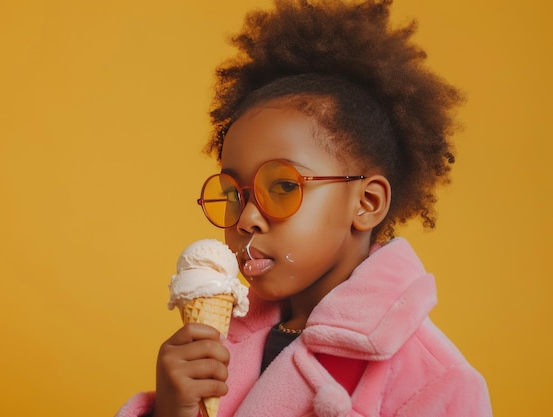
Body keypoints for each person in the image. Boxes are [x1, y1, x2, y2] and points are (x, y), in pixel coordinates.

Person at [116, 0, 493, 416]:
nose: (245, 218)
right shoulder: (214, 349)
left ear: (366, 203)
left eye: (281, 186)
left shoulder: (437, 385)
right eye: (234, 193)